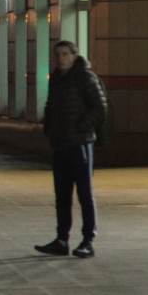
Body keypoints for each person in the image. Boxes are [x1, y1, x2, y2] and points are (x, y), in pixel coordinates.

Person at [35, 40, 107, 258]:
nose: (60, 58)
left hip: (81, 144)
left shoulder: (86, 78)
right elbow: (50, 105)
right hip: (61, 144)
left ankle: (88, 241)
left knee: (85, 194)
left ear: (74, 56)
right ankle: (61, 240)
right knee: (62, 195)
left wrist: (79, 128)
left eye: (65, 54)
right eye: (57, 54)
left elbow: (100, 107)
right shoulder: (57, 78)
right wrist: (49, 128)